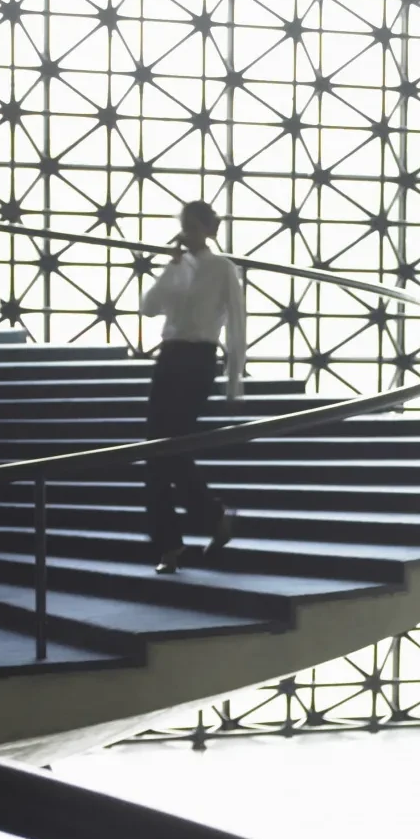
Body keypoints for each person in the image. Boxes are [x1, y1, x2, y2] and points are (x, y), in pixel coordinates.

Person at [137, 199, 246, 574]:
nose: (188, 233)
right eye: (185, 226)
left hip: (199, 360)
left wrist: (235, 382)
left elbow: (237, 324)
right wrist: (170, 267)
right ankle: (190, 533)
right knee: (159, 452)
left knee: (171, 448)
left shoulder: (223, 269)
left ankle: (180, 541)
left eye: (194, 226)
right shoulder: (177, 267)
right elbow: (148, 308)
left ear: (208, 229)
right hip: (169, 357)